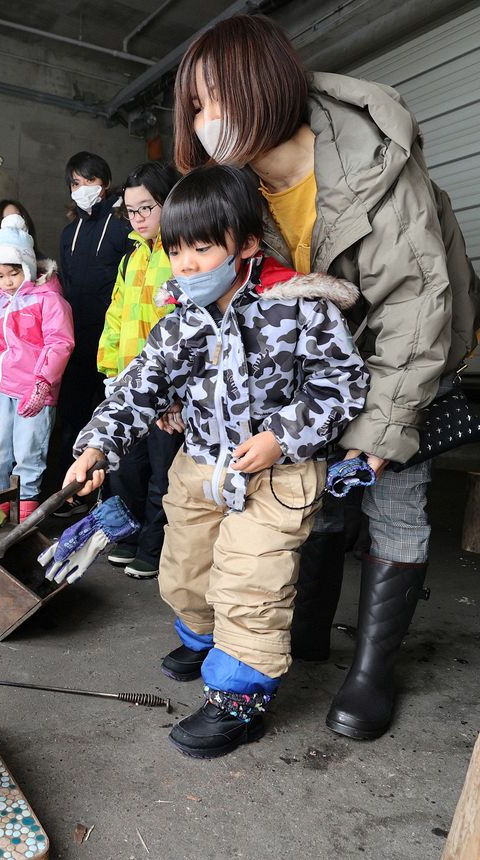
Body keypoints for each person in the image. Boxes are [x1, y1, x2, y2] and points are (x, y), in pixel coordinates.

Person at [173, 14, 480, 740]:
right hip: (316, 361)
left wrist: (381, 428)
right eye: (191, 105)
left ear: (259, 85)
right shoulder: (239, 184)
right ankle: (302, 632)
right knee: (309, 491)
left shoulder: (375, 161)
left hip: (412, 347)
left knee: (391, 493)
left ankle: (372, 671)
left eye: (207, 100)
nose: (199, 120)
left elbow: (414, 305)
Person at [66, 165, 369, 758]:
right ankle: (203, 639)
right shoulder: (182, 323)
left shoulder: (301, 309)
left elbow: (342, 385)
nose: (186, 264)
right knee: (184, 571)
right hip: (201, 463)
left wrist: (281, 436)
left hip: (278, 474)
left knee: (250, 582)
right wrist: (97, 446)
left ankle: (239, 698)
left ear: (247, 244)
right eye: (175, 250)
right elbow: (138, 387)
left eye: (202, 248)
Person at [97, 161, 183, 579]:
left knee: (163, 475)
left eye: (147, 208)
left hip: (167, 391)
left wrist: (179, 392)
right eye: (131, 211)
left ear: (170, 203)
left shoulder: (184, 252)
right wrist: (110, 372)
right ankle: (129, 538)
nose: (138, 218)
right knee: (125, 469)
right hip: (129, 386)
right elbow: (115, 317)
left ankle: (154, 548)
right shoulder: (131, 258)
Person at [0, 215, 74, 527]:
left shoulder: (50, 301)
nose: (6, 281)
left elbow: (60, 342)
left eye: (13, 273)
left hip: (35, 391)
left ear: (27, 268)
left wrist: (43, 382)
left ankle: (23, 515)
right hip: (0, 389)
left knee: (29, 451)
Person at [52, 152, 132, 515]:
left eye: (88, 181)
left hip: (110, 341)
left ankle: (108, 501)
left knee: (109, 422)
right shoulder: (70, 232)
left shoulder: (121, 227)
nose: (82, 189)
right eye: (75, 183)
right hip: (74, 342)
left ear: (105, 182)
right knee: (72, 420)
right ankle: (72, 496)